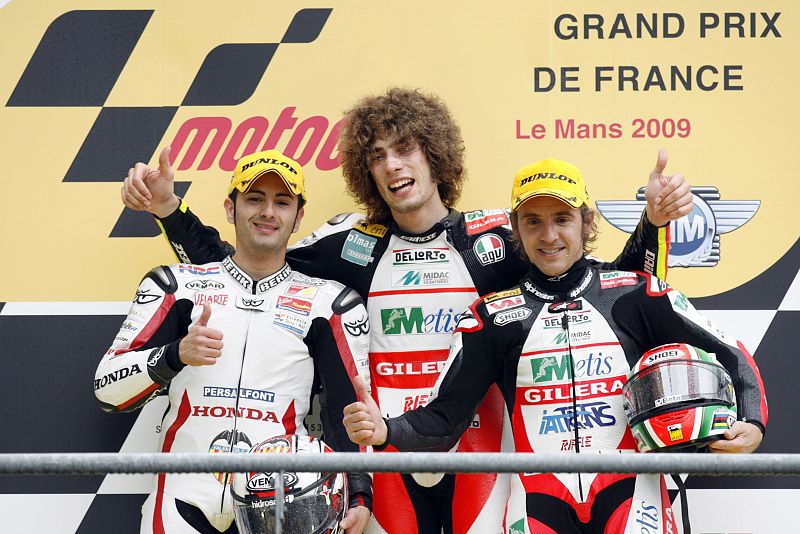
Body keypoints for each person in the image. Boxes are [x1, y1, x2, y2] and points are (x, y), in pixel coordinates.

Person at [120, 88, 693, 534]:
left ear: (434, 155)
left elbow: (603, 291)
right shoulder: (349, 245)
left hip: (478, 448)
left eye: (404, 149)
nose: (393, 165)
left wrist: (653, 225)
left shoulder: (497, 237)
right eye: (377, 156)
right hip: (386, 446)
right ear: (366, 173)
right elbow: (250, 264)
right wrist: (171, 211)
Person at [342, 158, 768, 534]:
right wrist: (386, 430)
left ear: (587, 223)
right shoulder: (491, 317)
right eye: (533, 221)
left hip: (632, 494)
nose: (549, 236)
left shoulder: (633, 294)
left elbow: (729, 353)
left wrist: (752, 421)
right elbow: (444, 420)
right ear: (515, 230)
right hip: (537, 504)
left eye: (562, 219)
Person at [95, 150, 373, 534]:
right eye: (255, 199)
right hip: (181, 497)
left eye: (282, 202)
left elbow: (348, 409)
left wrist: (359, 495)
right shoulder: (175, 285)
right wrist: (175, 355)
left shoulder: (331, 304)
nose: (268, 212)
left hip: (282, 502)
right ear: (231, 208)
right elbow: (107, 390)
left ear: (298, 217)